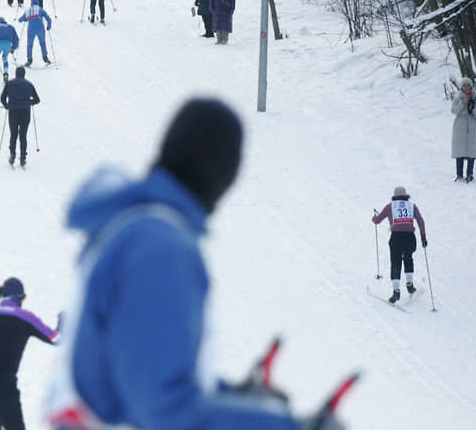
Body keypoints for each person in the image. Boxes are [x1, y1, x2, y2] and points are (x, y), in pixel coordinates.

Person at [46, 99, 325, 430]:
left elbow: (134, 366)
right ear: (222, 171)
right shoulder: (160, 246)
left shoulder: (132, 226)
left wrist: (228, 397)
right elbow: (161, 409)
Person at [0, 278, 59, 430]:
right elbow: (56, 339)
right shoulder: (26, 317)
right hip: (1, 385)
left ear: (2, 295)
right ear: (21, 298)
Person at [373, 186, 428, 303]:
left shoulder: (390, 206)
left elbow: (378, 220)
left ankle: (396, 291)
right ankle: (410, 284)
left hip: (396, 237)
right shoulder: (412, 206)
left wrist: (374, 218)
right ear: (406, 196)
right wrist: (423, 237)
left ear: (394, 196)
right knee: (408, 258)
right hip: (409, 237)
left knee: (396, 262)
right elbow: (421, 221)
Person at [0, 67, 40, 167]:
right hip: (25, 112)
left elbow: (2, 98)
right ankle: (23, 158)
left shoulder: (9, 83)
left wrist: (6, 105)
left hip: (13, 111)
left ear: (16, 73)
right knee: (23, 135)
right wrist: (29, 102)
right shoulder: (29, 84)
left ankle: (12, 155)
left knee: (13, 134)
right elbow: (37, 100)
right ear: (24, 74)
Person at [451, 77, 476, 182]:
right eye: (464, 86)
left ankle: (470, 174)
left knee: (471, 151)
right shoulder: (458, 97)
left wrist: (473, 107)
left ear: (471, 86)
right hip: (459, 127)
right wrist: (463, 103)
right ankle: (459, 174)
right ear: (461, 87)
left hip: (472, 127)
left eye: (468, 85)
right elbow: (453, 110)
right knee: (459, 151)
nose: (466, 88)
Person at [18, 0, 52, 66]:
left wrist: (25, 19)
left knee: (30, 45)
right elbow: (49, 19)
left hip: (31, 29)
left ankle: (29, 60)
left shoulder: (28, 11)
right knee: (42, 43)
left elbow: (20, 20)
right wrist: (48, 26)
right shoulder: (40, 9)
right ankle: (45, 58)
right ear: (38, 3)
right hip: (40, 28)